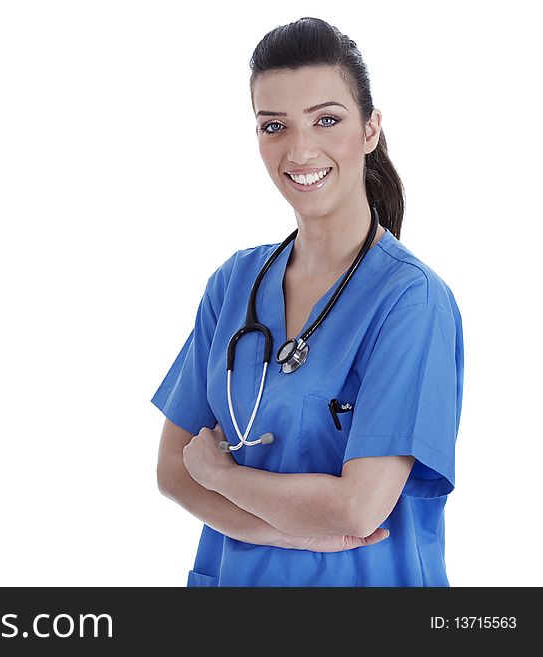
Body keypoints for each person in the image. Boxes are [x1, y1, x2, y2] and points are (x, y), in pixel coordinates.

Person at [151, 17, 464, 587]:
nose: (299, 149)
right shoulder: (235, 284)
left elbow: (358, 510)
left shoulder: (410, 302)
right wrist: (283, 531)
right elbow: (173, 472)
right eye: (274, 125)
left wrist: (220, 477)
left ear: (370, 129)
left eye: (326, 119)